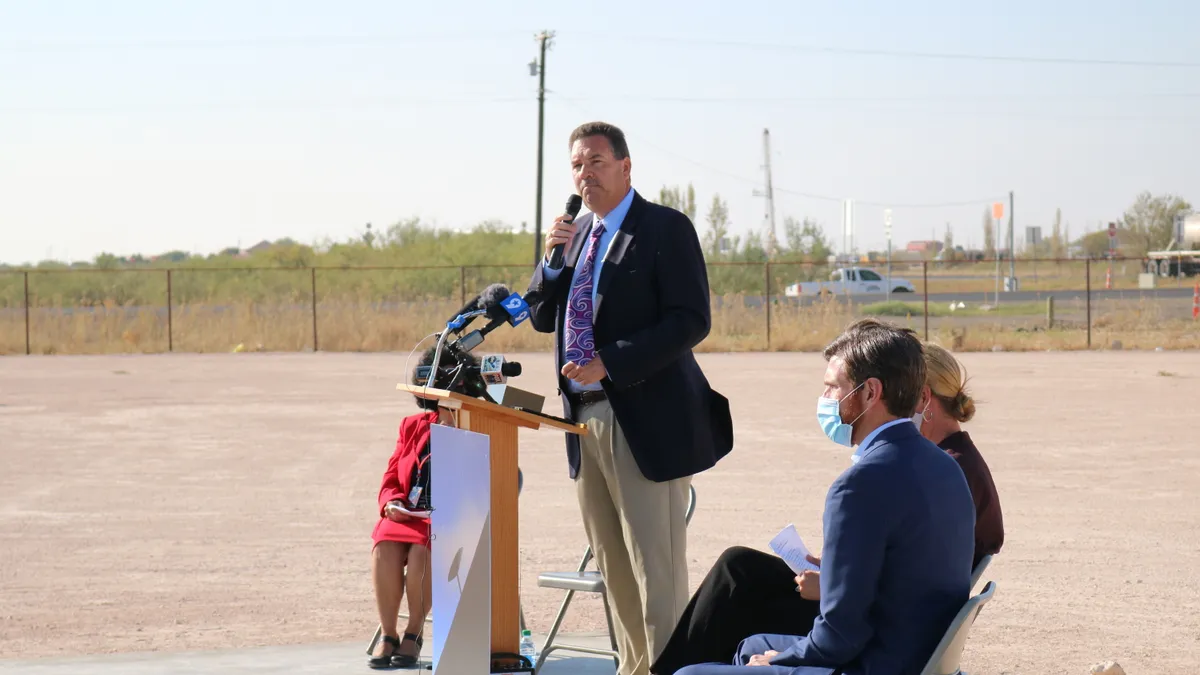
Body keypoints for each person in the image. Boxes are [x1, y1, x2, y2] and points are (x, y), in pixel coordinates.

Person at [652, 339, 1003, 674]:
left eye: (833, 388)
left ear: (878, 393)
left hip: (876, 650)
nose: (825, 399)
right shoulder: (945, 466)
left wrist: (783, 657)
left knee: (715, 631)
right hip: (908, 640)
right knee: (745, 610)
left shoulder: (883, 477)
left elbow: (844, 633)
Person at [525, 121, 735, 675]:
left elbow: (691, 320)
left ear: (625, 166)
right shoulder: (576, 239)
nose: (585, 173)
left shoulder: (663, 228)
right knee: (613, 569)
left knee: (655, 568)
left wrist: (612, 361)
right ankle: (633, 668)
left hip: (643, 419)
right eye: (576, 165)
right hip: (582, 422)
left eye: (596, 161)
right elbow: (544, 316)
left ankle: (670, 669)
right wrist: (551, 261)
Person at [367, 346, 479, 669]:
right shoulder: (412, 426)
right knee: (384, 542)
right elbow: (391, 475)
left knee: (420, 550)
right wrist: (391, 501)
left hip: (446, 518)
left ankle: (413, 633)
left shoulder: (472, 427)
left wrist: (452, 424)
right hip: (408, 513)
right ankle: (388, 635)